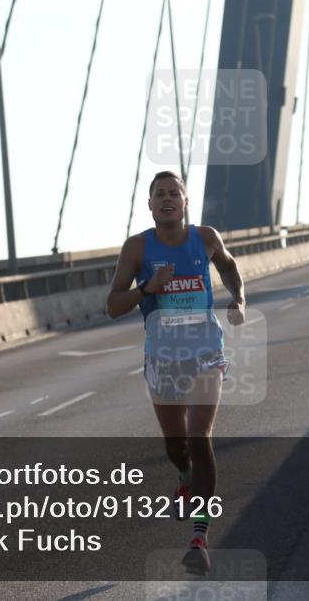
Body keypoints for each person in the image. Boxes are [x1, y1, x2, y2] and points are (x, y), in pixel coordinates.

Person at [107, 171, 246, 574]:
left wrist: (238, 298)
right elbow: (113, 305)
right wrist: (146, 288)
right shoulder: (137, 248)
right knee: (176, 446)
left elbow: (229, 267)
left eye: (174, 193)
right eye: (159, 194)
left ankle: (199, 538)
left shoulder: (206, 238)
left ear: (186, 202)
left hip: (206, 352)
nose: (167, 199)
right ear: (149, 204)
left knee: (200, 437)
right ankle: (184, 476)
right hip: (163, 357)